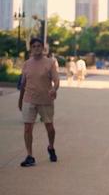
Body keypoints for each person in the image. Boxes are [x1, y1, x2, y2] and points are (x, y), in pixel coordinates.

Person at [18, 38, 60, 167]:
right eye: (34, 46)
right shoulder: (26, 64)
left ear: (43, 47)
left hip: (45, 100)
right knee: (27, 128)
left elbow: (56, 80)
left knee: (50, 127)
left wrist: (54, 89)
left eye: (39, 46)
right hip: (29, 99)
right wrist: (20, 100)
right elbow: (23, 83)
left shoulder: (50, 63)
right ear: (31, 48)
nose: (37, 48)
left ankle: (51, 147)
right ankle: (30, 156)